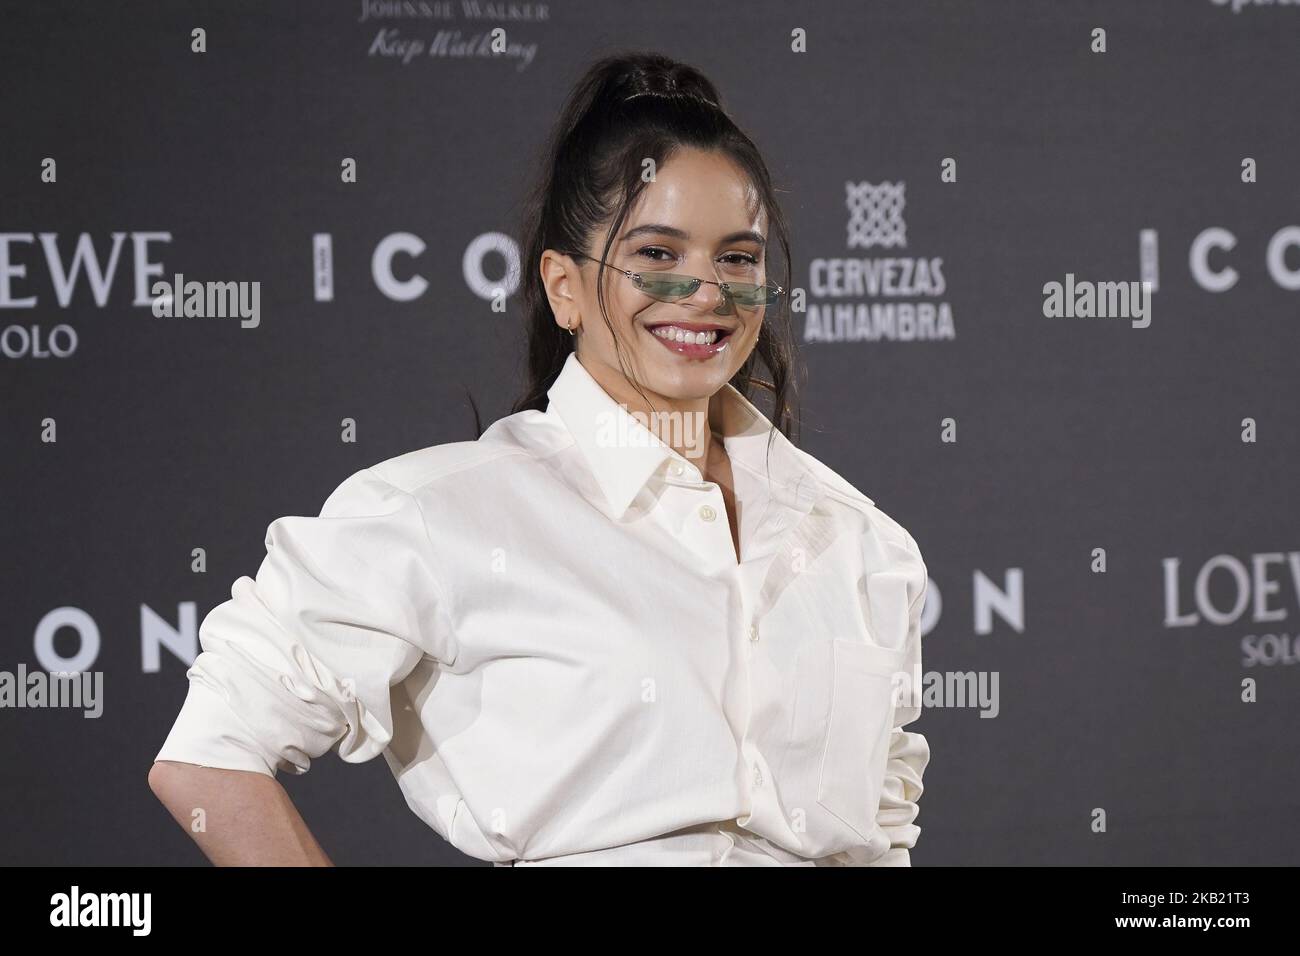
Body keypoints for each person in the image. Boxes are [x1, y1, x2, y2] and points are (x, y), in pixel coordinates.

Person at [148, 50, 930, 866]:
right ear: (564, 285)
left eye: (736, 257)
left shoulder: (860, 541)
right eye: (657, 255)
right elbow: (209, 756)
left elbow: (882, 832)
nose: (706, 291)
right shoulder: (442, 513)